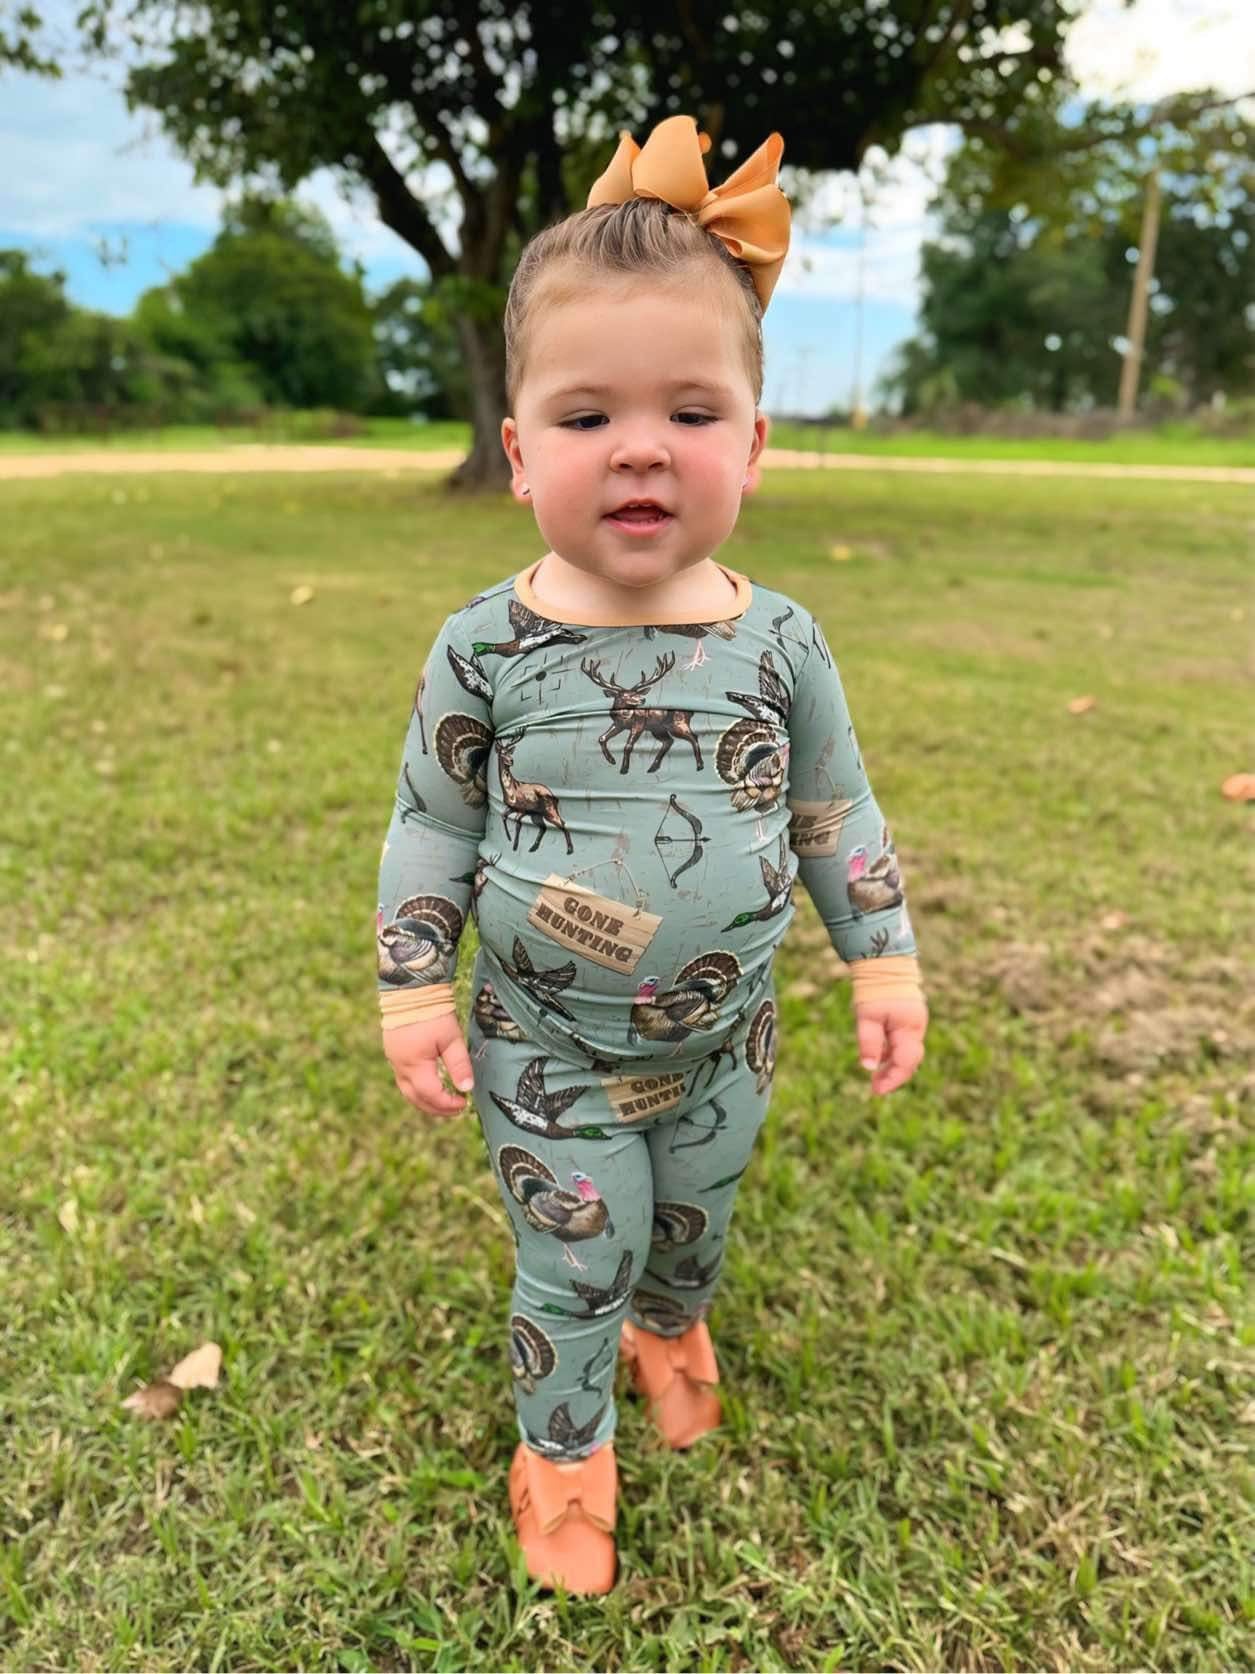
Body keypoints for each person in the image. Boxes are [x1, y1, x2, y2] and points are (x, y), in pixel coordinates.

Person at [375, 114, 928, 1596]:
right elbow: (432, 820)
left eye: (690, 410)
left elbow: (836, 812)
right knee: (580, 1247)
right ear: (517, 452)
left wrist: (883, 962)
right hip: (543, 1036)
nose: (638, 446)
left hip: (727, 1037)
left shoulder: (783, 641)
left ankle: (672, 1322)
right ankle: (561, 1453)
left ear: (753, 443)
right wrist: (413, 987)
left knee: (692, 1223)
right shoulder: (484, 647)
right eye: (585, 416)